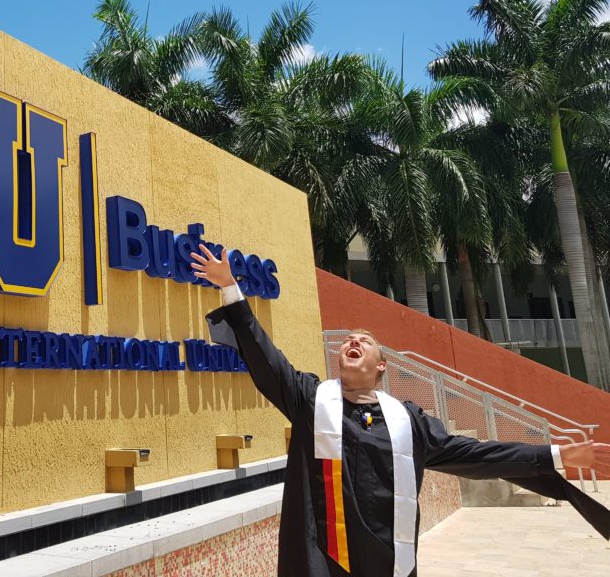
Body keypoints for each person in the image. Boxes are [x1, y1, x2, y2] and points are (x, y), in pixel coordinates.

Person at [190, 244, 610, 577]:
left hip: (388, 565)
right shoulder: (311, 401)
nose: (352, 341)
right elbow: (266, 358)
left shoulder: (408, 422)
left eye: (364, 341)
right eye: (347, 340)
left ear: (381, 366)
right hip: (321, 562)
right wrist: (231, 289)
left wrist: (555, 454)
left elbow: (476, 455)